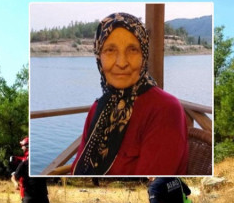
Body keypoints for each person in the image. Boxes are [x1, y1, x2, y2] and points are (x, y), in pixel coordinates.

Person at [71, 12, 188, 175]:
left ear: (144, 55)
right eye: (110, 50)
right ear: (99, 57)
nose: (121, 63)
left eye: (132, 50)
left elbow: (147, 185)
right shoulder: (99, 107)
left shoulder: (165, 110)